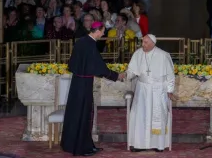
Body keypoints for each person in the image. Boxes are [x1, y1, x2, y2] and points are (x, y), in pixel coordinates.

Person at [61, 21, 125, 156]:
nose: (103, 34)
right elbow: (99, 67)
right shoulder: (90, 44)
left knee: (77, 114)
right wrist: (116, 76)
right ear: (98, 30)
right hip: (84, 85)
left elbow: (72, 64)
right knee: (84, 115)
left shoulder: (81, 41)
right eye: (102, 31)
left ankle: (82, 144)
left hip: (77, 83)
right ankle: (82, 148)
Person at [126, 34, 175, 152]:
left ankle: (158, 145)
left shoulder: (164, 55)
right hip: (142, 90)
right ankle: (139, 144)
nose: (143, 44)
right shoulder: (138, 54)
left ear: (153, 43)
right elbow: (132, 70)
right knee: (140, 116)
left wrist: (170, 90)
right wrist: (125, 75)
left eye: (146, 42)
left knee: (158, 117)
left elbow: (170, 75)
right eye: (142, 42)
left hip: (158, 91)